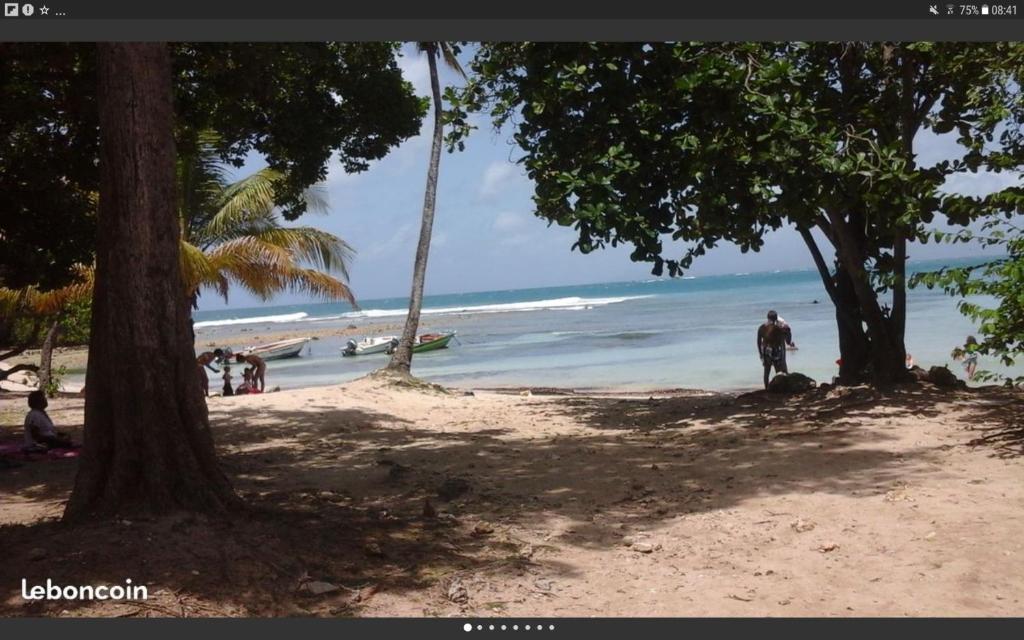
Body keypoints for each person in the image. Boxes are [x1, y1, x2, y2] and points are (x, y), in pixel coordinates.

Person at [757, 310, 795, 389]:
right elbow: (786, 336)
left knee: (766, 371)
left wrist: (760, 353)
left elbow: (758, 341)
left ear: (767, 318)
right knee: (778, 371)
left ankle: (766, 388)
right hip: (775, 350)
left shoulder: (761, 327)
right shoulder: (778, 328)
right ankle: (779, 388)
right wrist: (789, 340)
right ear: (776, 319)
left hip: (765, 350)